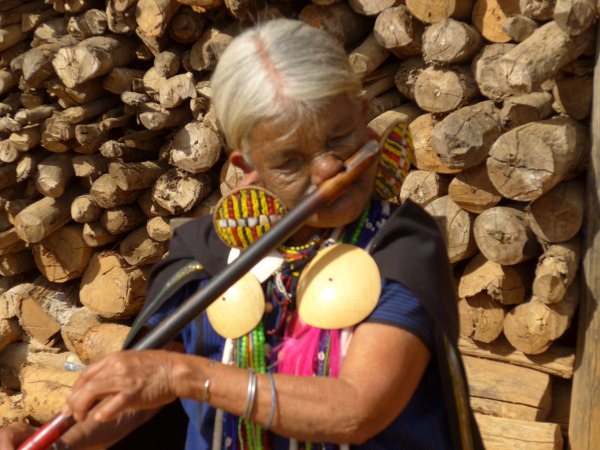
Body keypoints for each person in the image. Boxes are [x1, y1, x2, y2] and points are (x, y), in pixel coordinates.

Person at [0, 18, 482, 450]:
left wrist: (190, 376)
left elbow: (356, 410)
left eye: (338, 138)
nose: (330, 169)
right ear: (247, 169)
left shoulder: (399, 244)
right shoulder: (203, 253)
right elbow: (141, 396)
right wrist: (66, 444)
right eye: (290, 161)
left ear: (364, 112)